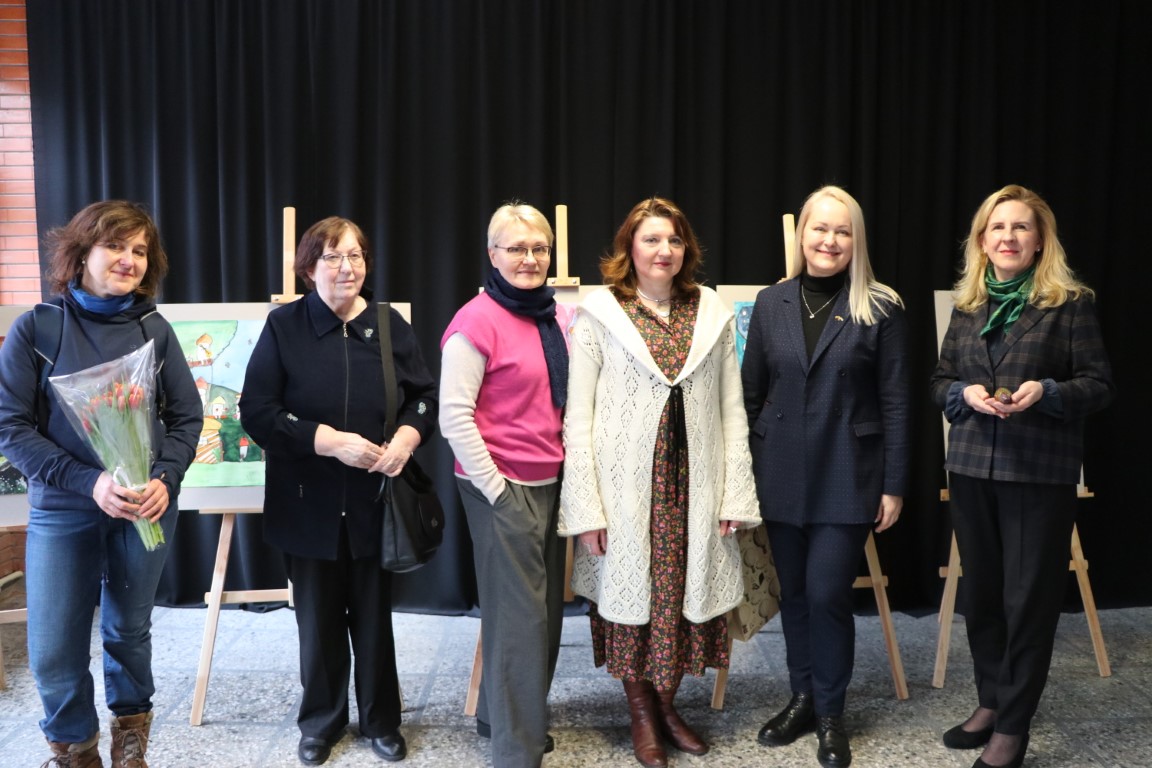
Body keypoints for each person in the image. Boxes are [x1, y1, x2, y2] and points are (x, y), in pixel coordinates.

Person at [559, 197, 761, 768]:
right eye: (651, 239)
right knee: (635, 602)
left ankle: (668, 706)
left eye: (673, 239)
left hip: (695, 486)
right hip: (626, 490)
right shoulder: (600, 314)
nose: (663, 250)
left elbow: (731, 410)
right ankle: (641, 714)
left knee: (678, 600)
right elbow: (579, 417)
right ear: (630, 246)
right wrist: (587, 508)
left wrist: (735, 492)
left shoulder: (711, 311)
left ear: (685, 248)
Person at [0, 200, 202, 767]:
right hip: (63, 510)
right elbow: (10, 428)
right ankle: (76, 751)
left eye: (140, 250)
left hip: (144, 507)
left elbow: (187, 418)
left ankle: (131, 742)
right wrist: (88, 482)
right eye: (115, 246)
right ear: (81, 252)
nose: (129, 260)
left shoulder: (153, 330)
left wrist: (165, 477)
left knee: (128, 631)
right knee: (53, 646)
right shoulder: (38, 328)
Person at [241, 217, 437, 766]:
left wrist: (407, 437)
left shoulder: (388, 325)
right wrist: (326, 441)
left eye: (355, 256)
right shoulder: (285, 326)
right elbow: (256, 411)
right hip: (307, 503)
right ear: (308, 269)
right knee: (318, 622)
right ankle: (321, 722)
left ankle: (381, 720)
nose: (346, 267)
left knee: (374, 620)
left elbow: (424, 397)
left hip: (377, 502)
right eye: (332, 257)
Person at [930, 185, 1114, 768]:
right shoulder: (968, 306)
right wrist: (964, 393)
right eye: (997, 227)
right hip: (971, 468)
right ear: (982, 241)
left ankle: (1013, 727)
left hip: (1038, 474)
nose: (1008, 237)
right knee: (983, 595)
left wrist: (1049, 392)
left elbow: (1099, 384)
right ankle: (991, 700)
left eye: (1021, 227)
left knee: (1028, 601)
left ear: (1040, 241)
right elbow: (939, 381)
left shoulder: (1069, 304)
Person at [741, 185, 909, 768]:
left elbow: (896, 403)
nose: (830, 240)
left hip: (848, 472)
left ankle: (832, 713)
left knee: (828, 595)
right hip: (779, 471)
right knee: (794, 595)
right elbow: (751, 393)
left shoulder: (880, 307)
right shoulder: (771, 302)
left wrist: (894, 484)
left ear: (855, 240)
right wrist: (742, 476)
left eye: (843, 231)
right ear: (802, 234)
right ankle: (803, 699)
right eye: (821, 228)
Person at [439, 202, 570, 768]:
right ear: (493, 255)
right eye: (516, 248)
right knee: (521, 624)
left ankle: (500, 717)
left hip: (551, 483)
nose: (529, 258)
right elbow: (453, 416)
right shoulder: (476, 322)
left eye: (539, 248)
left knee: (542, 619)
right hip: (502, 488)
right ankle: (517, 753)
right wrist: (497, 490)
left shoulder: (557, 317)